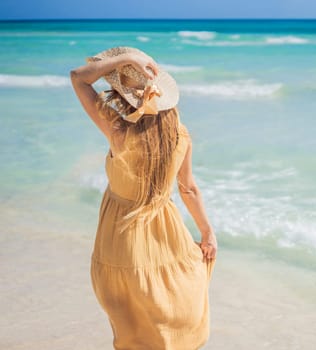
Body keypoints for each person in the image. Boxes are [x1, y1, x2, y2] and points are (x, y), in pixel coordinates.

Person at [70, 46, 217, 349]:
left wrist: (124, 61)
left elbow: (78, 78)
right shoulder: (181, 135)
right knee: (168, 306)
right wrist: (207, 232)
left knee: (130, 323)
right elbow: (188, 188)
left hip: (120, 239)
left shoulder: (117, 130)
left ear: (121, 96)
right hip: (165, 233)